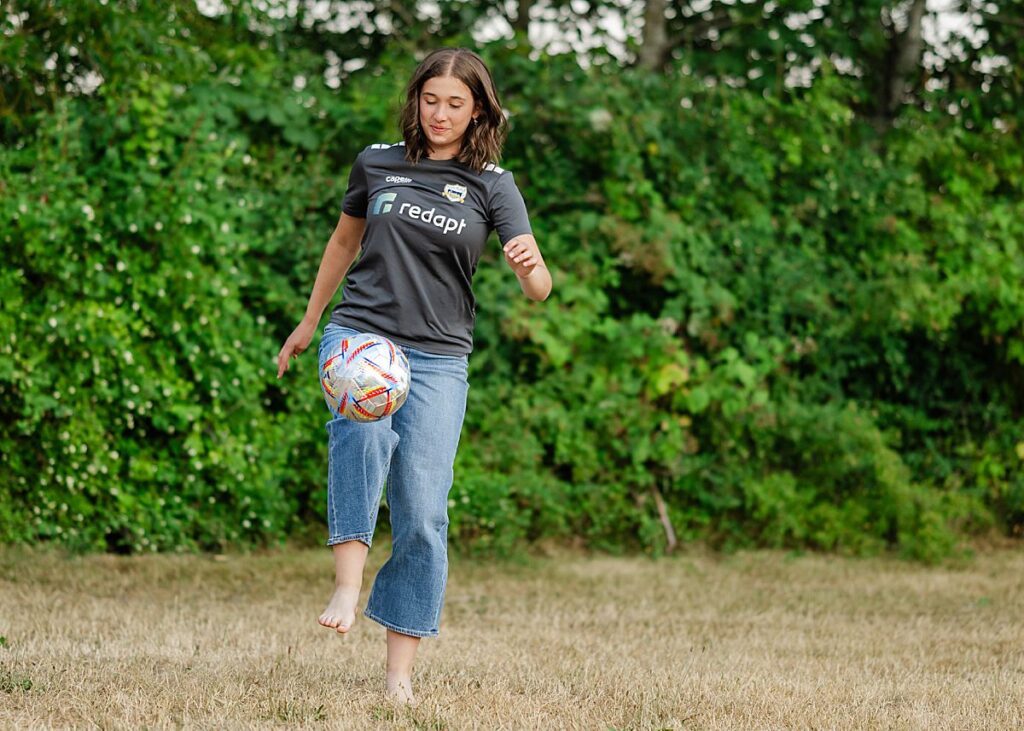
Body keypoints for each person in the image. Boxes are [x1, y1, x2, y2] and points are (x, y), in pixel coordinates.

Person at [275, 47, 551, 704]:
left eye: (456, 103)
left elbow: (539, 287)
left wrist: (528, 265)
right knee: (362, 429)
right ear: (416, 100)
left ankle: (399, 676)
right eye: (431, 99)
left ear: (477, 108)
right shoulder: (378, 162)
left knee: (425, 514)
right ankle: (348, 579)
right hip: (363, 332)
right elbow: (343, 243)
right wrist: (311, 320)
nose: (441, 113)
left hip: (439, 356)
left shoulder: (493, 183)